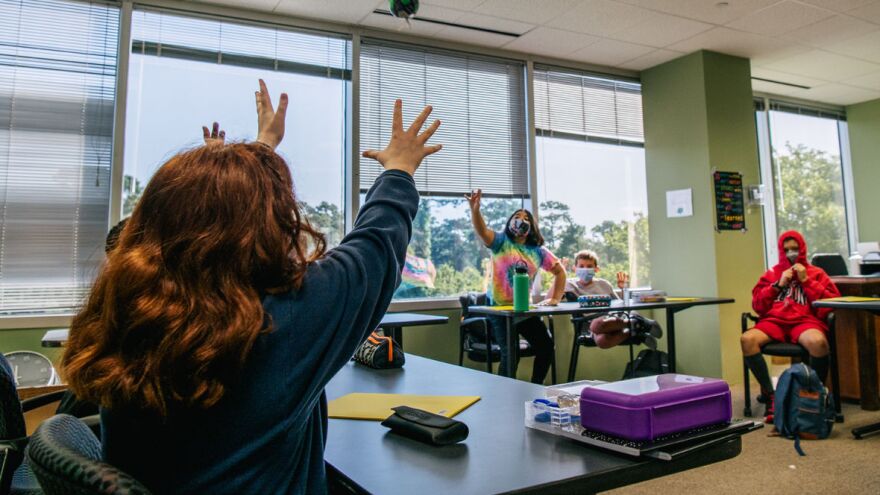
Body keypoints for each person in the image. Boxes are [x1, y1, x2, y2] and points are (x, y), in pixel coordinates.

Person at [61, 81, 442, 494]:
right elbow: (375, 247)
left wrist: (261, 148)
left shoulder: (128, 316)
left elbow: (216, 219)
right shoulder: (282, 322)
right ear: (264, 229)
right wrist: (399, 170)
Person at [465, 189, 566, 383]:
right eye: (517, 216)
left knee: (546, 348)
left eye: (525, 217)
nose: (521, 219)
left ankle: (535, 388)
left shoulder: (538, 251)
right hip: (498, 309)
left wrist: (555, 298)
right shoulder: (500, 242)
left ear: (532, 226)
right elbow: (482, 231)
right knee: (511, 354)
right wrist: (475, 210)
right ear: (509, 223)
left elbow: (560, 271)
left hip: (523, 309)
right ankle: (505, 395)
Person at [742, 230, 840, 422]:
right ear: (781, 250)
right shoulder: (772, 273)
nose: (791, 253)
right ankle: (771, 395)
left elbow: (831, 302)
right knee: (747, 340)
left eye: (795, 249)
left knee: (819, 343)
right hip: (775, 321)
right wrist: (777, 285)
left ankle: (813, 395)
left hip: (804, 321)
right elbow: (758, 305)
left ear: (802, 249)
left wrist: (807, 281)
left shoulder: (816, 273)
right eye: (786, 249)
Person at [564, 250, 660, 349]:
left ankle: (637, 321)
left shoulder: (604, 284)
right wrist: (560, 275)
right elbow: (553, 296)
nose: (585, 269)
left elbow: (621, 306)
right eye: (581, 266)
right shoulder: (569, 284)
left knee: (597, 324)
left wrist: (623, 289)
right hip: (589, 325)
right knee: (602, 341)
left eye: (589, 266)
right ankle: (639, 332)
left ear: (596, 269)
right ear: (574, 268)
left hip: (611, 321)